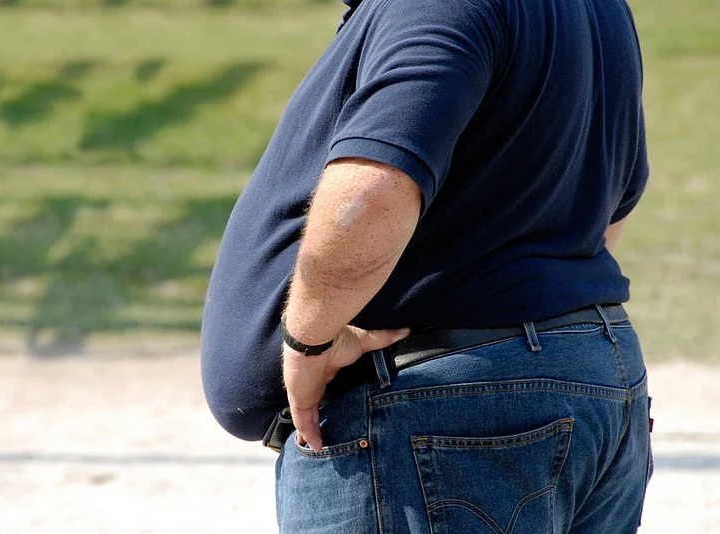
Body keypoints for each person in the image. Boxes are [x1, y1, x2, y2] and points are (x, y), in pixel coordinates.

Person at [201, 0, 653, 531]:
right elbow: (608, 208)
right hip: (590, 374)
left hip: (436, 407)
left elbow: (372, 192)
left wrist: (310, 340)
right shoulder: (600, 9)